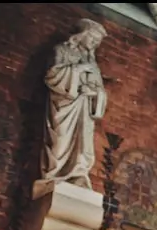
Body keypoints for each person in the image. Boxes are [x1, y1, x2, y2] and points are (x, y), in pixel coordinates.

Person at [36, 19, 109, 198]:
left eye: (97, 42)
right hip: (64, 106)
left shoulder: (93, 63)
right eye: (92, 39)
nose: (94, 44)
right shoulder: (61, 50)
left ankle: (78, 174)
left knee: (84, 143)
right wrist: (77, 71)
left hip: (84, 108)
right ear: (82, 35)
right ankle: (55, 174)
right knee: (60, 140)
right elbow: (53, 76)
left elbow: (100, 90)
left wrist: (93, 93)